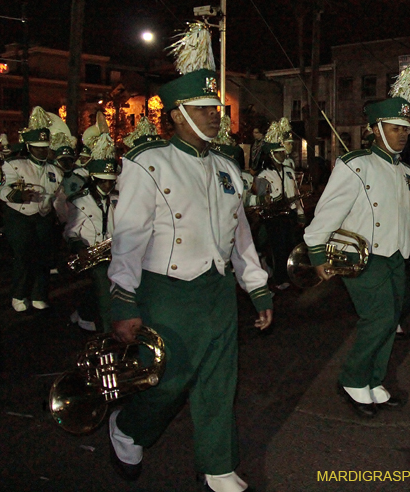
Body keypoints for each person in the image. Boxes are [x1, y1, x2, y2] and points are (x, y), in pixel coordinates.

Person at [106, 24, 273, 492]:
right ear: (178, 115)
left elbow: (238, 235)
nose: (215, 115)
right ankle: (128, 427)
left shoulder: (226, 167)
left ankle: (218, 465)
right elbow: (128, 237)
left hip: (217, 291)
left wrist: (256, 286)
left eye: (214, 107)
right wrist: (123, 302)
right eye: (203, 108)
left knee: (220, 384)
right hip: (166, 292)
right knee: (167, 382)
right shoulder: (148, 162)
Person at [304, 64, 410, 418]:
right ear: (375, 130)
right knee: (378, 318)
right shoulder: (354, 165)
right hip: (360, 258)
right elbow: (326, 213)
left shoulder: (409, 175)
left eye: (406, 129)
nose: (402, 135)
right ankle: (352, 378)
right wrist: (316, 253)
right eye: (395, 128)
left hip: (395, 258)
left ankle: (373, 379)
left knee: (390, 319)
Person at [0, 107, 63, 312]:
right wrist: (16, 195)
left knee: (43, 257)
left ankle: (38, 295)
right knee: (23, 255)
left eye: (44, 147)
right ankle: (19, 294)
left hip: (44, 216)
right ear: (29, 146)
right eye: (37, 147)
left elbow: (58, 197)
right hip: (19, 215)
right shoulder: (14, 164)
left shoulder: (55, 170)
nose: (42, 151)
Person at [63, 133, 118, 333]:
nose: (107, 185)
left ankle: (84, 313)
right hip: (92, 256)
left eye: (110, 181)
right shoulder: (78, 201)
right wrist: (81, 249)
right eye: (103, 181)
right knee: (104, 294)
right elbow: (70, 232)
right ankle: (107, 336)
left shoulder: (116, 199)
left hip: (114, 252)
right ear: (93, 178)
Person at [256, 119, 305, 290]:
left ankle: (289, 274)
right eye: (279, 152)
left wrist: (300, 212)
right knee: (278, 249)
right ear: (271, 154)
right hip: (274, 216)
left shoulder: (289, 171)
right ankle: (279, 278)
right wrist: (268, 200)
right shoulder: (264, 174)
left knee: (291, 246)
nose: (284, 154)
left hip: (289, 213)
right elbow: (261, 198)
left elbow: (296, 194)